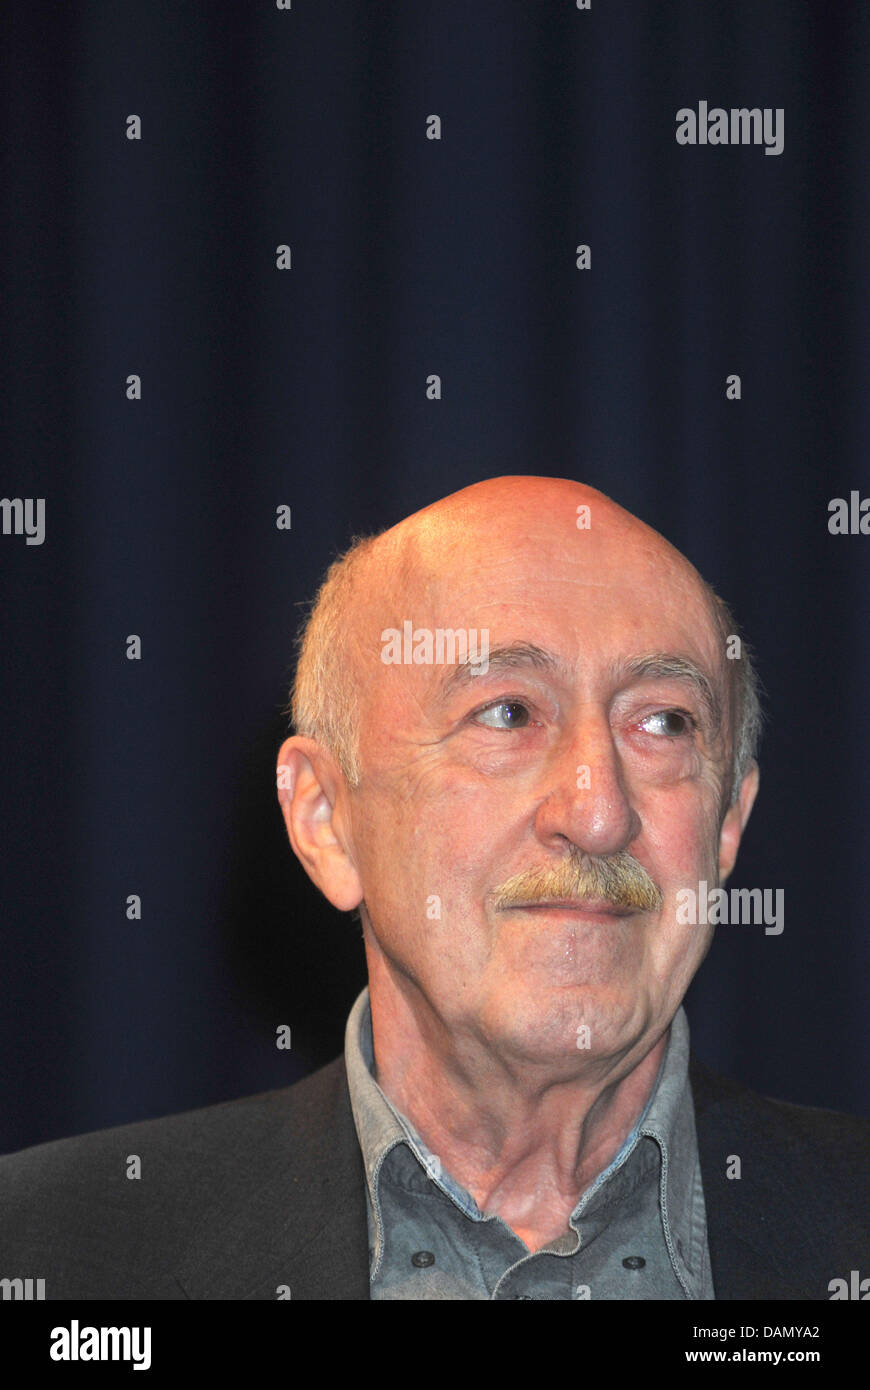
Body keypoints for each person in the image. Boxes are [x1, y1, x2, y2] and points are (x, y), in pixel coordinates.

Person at [1, 475, 867, 1300]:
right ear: (326, 820)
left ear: (726, 827)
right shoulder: (52, 1250)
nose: (599, 814)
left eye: (663, 723)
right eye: (508, 713)